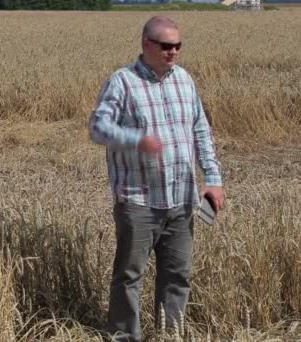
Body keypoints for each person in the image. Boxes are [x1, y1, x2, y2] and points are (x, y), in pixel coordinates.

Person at [88, 16, 225, 342]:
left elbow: (200, 131)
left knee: (177, 276)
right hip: (138, 200)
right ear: (146, 44)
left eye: (178, 45)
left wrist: (214, 177)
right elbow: (97, 128)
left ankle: (169, 336)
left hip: (181, 198)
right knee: (129, 277)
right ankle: (125, 337)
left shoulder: (184, 80)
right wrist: (136, 139)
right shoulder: (122, 82)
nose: (173, 52)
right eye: (166, 46)